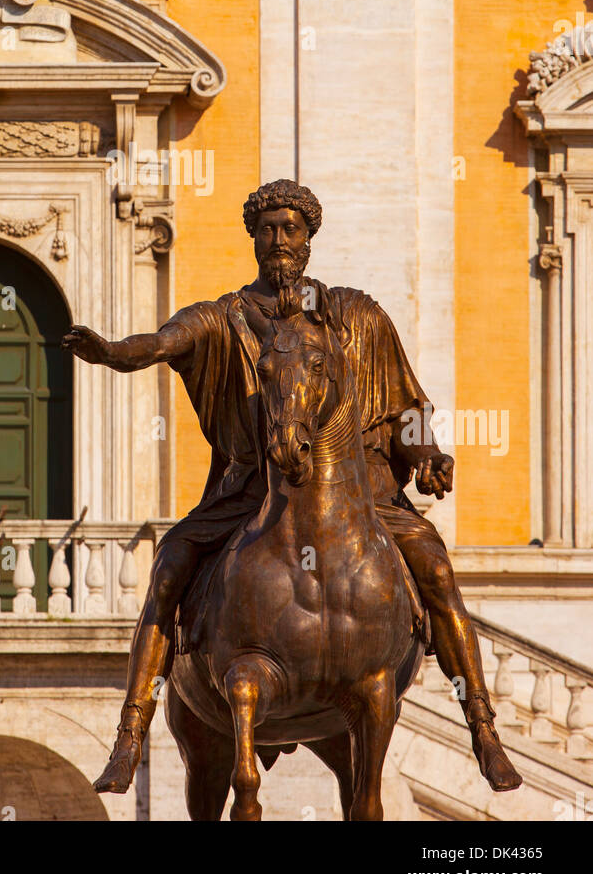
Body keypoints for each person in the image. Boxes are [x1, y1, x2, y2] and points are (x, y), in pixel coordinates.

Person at [63, 179, 521, 796]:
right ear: (252, 236)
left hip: (362, 498)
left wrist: (429, 453)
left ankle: (483, 729)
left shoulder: (358, 317)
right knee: (169, 564)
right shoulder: (225, 318)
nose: (278, 240)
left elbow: (406, 405)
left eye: (290, 229)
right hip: (250, 494)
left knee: (435, 569)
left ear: (308, 239)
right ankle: (128, 737)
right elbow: (164, 340)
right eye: (267, 229)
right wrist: (117, 351)